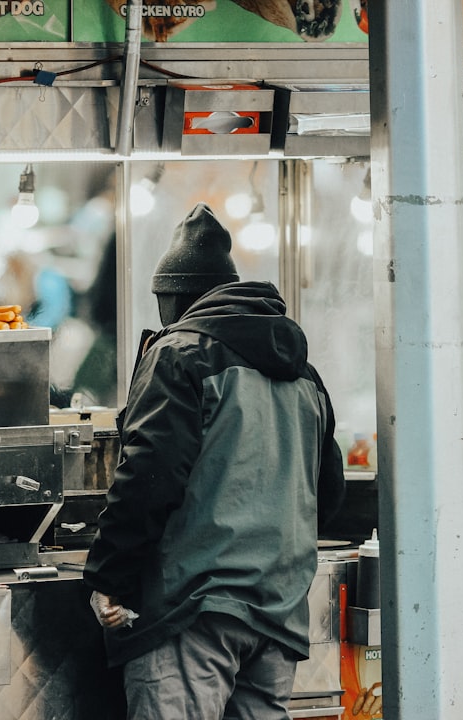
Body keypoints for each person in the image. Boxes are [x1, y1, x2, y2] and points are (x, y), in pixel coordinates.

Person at [83, 203, 346, 720]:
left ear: (175, 299)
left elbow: (149, 476)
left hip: (192, 610)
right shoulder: (303, 373)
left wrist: (110, 576)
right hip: (279, 610)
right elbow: (329, 493)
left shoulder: (180, 352)